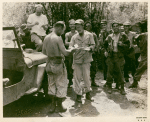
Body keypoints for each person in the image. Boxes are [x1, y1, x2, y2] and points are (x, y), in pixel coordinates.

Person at [42, 21, 75, 113]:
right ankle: (59, 106)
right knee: (61, 84)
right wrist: (72, 49)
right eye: (63, 30)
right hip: (58, 63)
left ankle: (52, 105)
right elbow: (66, 53)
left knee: (51, 84)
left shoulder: (46, 37)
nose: (63, 32)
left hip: (48, 63)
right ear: (59, 28)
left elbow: (43, 52)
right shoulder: (58, 38)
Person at [69, 19, 95, 104]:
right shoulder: (74, 37)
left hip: (86, 60)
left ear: (83, 26)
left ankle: (88, 93)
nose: (78, 28)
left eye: (79, 26)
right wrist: (73, 49)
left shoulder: (89, 35)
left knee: (87, 77)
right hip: (77, 60)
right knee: (77, 78)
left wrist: (90, 48)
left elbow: (93, 44)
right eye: (76, 27)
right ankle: (78, 95)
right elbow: (70, 47)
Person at [104, 21, 130, 95]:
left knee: (120, 72)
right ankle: (109, 86)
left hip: (119, 56)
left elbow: (128, 46)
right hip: (111, 56)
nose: (115, 28)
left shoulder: (123, 36)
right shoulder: (109, 36)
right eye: (114, 26)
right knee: (110, 72)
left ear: (119, 27)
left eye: (117, 26)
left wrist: (122, 44)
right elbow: (105, 44)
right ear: (112, 28)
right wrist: (105, 51)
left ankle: (121, 88)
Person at [129, 20, 147, 88]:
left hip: (145, 55)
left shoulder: (144, 34)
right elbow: (135, 40)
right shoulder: (143, 34)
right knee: (139, 69)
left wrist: (139, 45)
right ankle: (135, 83)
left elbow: (135, 40)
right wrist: (140, 45)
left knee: (139, 69)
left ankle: (135, 82)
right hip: (145, 55)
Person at [85, 21, 99, 87]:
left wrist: (95, 50)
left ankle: (93, 81)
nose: (88, 27)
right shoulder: (83, 34)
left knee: (93, 67)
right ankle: (86, 82)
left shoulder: (94, 34)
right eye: (87, 26)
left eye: (89, 26)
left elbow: (97, 43)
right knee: (85, 68)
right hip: (85, 54)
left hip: (92, 54)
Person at [65, 19, 77, 88]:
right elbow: (65, 43)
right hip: (70, 53)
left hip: (76, 52)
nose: (72, 26)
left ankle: (77, 81)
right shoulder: (67, 34)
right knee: (69, 66)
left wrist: (72, 44)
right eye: (71, 24)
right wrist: (73, 43)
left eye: (74, 24)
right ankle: (70, 81)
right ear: (69, 25)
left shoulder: (77, 33)